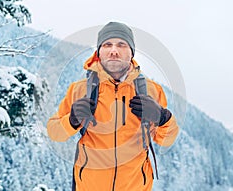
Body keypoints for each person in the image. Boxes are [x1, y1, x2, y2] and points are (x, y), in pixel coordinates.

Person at [47, 21, 179, 191]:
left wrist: (163, 117)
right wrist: (71, 120)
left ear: (131, 52)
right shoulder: (80, 89)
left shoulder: (151, 90)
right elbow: (54, 133)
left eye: (121, 45)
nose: (114, 51)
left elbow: (166, 139)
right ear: (99, 51)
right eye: (107, 44)